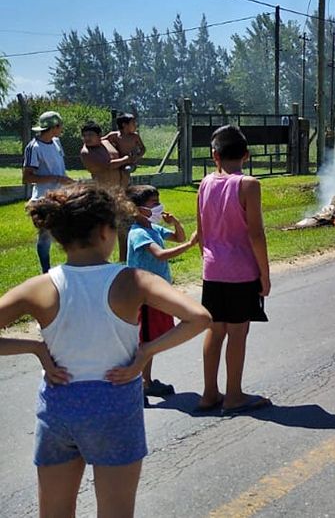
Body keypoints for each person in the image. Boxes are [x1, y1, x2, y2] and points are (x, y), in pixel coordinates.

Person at [0, 184, 209, 518]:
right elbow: (199, 318)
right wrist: (144, 353)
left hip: (59, 406)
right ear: (104, 231)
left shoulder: (39, 286)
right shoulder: (133, 280)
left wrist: (36, 348)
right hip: (114, 406)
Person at [194, 125, 272, 414]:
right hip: (240, 271)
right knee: (238, 333)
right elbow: (256, 234)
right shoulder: (249, 185)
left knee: (215, 331)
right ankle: (234, 395)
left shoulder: (204, 184)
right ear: (247, 155)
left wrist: (209, 258)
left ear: (214, 155)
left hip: (212, 270)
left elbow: (201, 232)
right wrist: (264, 274)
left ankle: (209, 393)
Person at [126, 184, 198, 403]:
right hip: (145, 297)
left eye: (158, 202)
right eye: (153, 204)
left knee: (151, 341)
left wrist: (175, 222)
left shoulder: (153, 229)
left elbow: (177, 236)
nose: (158, 207)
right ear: (136, 209)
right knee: (144, 343)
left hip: (157, 294)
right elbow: (160, 255)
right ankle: (135, 386)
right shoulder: (138, 233)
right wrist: (191, 245)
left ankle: (147, 382)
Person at [23, 111, 73, 274]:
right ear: (54, 127)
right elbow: (27, 177)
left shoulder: (57, 142)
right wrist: (56, 178)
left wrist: (68, 182)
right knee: (45, 236)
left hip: (62, 195)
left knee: (68, 229)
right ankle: (45, 270)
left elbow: (60, 167)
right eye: (60, 126)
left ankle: (73, 264)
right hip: (43, 199)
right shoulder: (33, 147)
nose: (61, 129)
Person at [80, 121, 128, 189]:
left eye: (90, 135)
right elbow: (107, 165)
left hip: (121, 189)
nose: (87, 138)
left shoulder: (107, 142)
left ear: (99, 135)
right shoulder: (86, 152)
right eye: (84, 135)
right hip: (103, 193)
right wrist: (126, 159)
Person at [103, 113, 146, 189]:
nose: (136, 125)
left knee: (126, 170)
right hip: (117, 161)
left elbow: (143, 148)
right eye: (133, 123)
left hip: (130, 162)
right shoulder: (114, 135)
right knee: (113, 173)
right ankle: (118, 188)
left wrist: (137, 156)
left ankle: (124, 189)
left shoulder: (135, 136)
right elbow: (100, 141)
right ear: (124, 125)